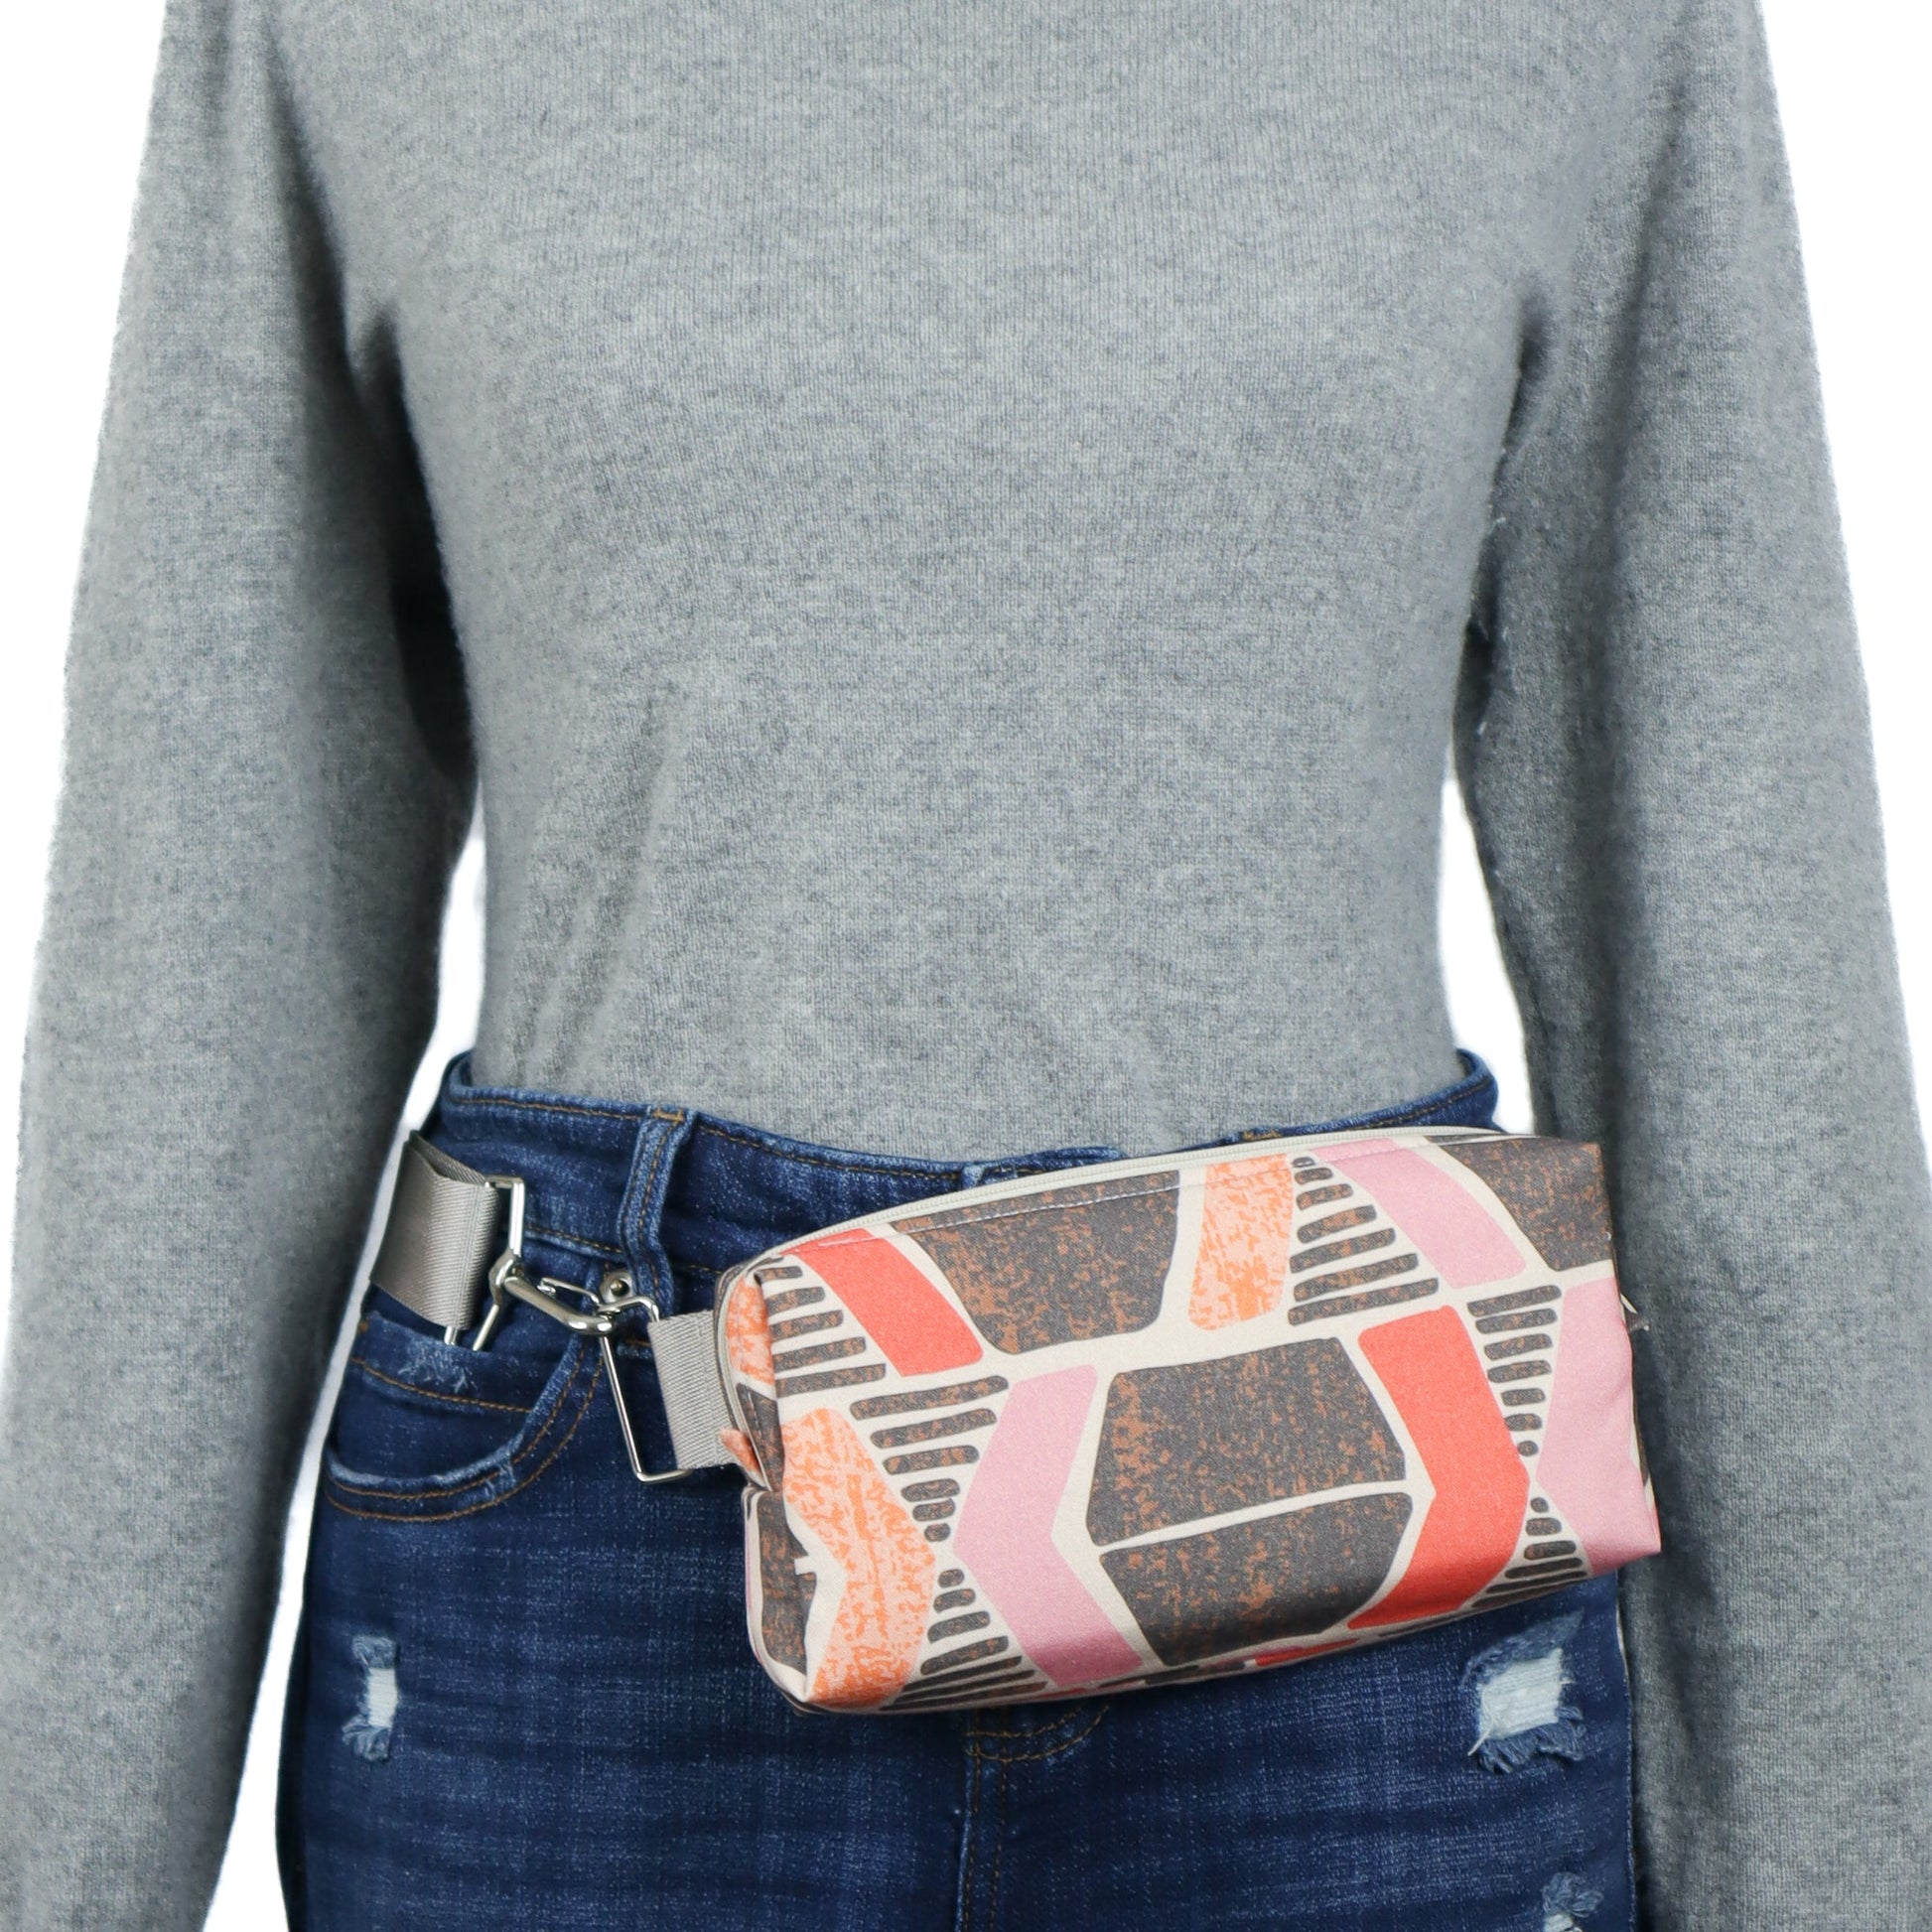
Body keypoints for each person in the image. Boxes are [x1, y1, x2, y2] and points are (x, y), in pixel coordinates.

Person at [2, 0, 1927, 1924]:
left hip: (1346, 1529)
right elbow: (203, 976)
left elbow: (1732, 954)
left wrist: (1838, 1857)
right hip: (611, 1502)